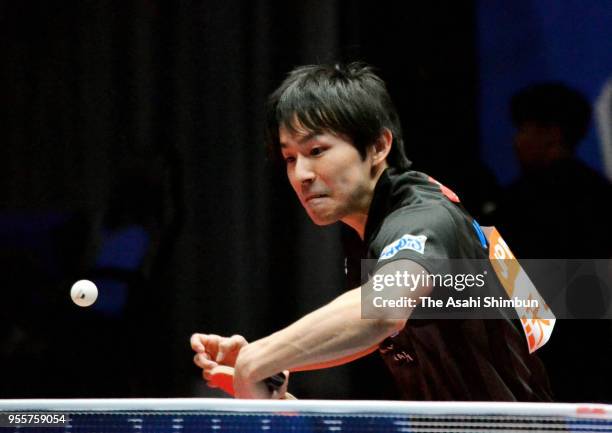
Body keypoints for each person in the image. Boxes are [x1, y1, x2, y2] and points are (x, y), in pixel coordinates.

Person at [191, 63, 552, 401]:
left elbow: (383, 310)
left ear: (379, 146)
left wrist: (261, 355)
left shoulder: (422, 217)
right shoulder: (372, 225)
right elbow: (381, 326)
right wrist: (274, 374)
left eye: (316, 150)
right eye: (289, 158)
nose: (301, 174)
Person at [495, 82, 612, 403]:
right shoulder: (603, 194)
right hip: (598, 366)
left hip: (542, 364)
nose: (516, 141)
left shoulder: (519, 202)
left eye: (524, 129)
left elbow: (507, 283)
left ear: (553, 134)